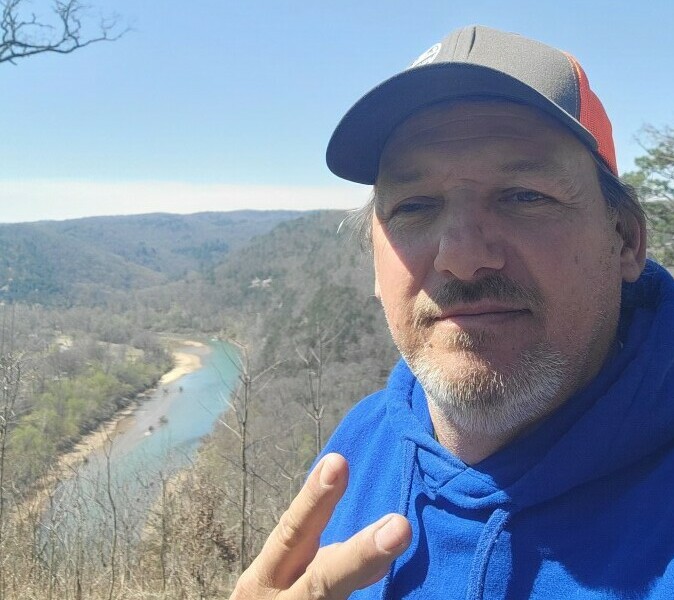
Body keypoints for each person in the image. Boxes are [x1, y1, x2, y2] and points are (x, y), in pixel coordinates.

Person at [230, 25, 674, 599]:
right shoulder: (358, 449)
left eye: (525, 195)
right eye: (414, 206)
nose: (463, 258)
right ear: (374, 263)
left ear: (624, 241)